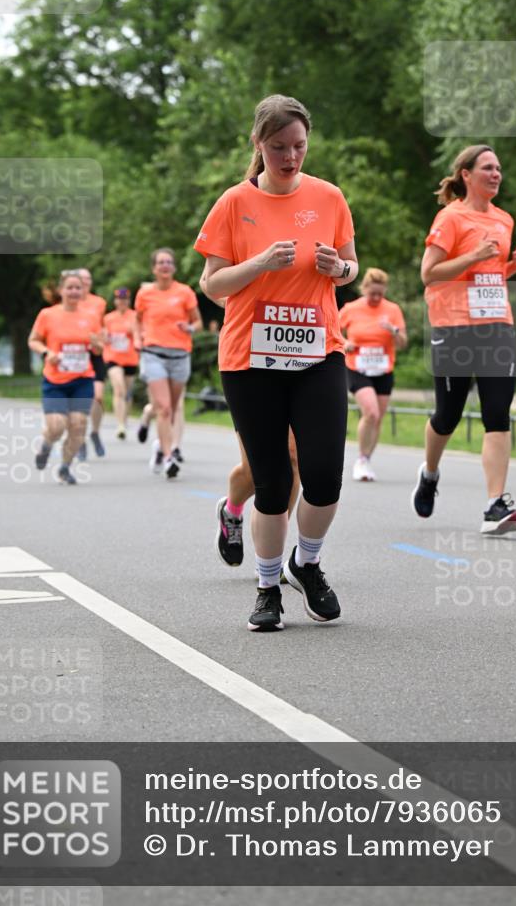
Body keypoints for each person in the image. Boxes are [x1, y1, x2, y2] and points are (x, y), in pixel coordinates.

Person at [195, 93, 358, 631]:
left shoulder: (329, 197)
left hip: (318, 353)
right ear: (259, 144)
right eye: (279, 147)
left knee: (324, 476)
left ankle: (305, 564)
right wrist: (260, 263)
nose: (290, 157)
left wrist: (339, 270)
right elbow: (213, 284)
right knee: (270, 482)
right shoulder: (233, 203)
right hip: (251, 358)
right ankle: (267, 590)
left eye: (299, 147)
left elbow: (351, 266)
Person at [411, 144, 516, 535]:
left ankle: (495, 504)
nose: (496, 174)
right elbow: (430, 273)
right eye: (488, 168)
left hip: (497, 325)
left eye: (499, 168)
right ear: (466, 174)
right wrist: (474, 255)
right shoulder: (450, 217)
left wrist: (511, 267)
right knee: (448, 416)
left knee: (498, 413)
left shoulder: (504, 219)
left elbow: (487, 276)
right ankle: (430, 473)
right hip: (453, 327)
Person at [198, 264, 301, 567]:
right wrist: (248, 304)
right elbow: (208, 281)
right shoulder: (240, 234)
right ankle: (232, 511)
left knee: (292, 459)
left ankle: (271, 554)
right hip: (247, 362)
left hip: (298, 356)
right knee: (258, 468)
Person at [28, 270, 103, 484]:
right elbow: (33, 340)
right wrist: (46, 353)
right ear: (61, 290)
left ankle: (64, 467)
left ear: (83, 291)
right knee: (57, 426)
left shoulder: (91, 317)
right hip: (55, 380)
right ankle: (46, 445)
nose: (74, 291)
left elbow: (98, 349)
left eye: (78, 288)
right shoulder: (47, 315)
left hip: (82, 379)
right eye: (69, 287)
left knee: (78, 425)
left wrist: (97, 345)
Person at [134, 248, 202, 478]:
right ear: (153, 268)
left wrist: (189, 328)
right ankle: (168, 456)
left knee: (171, 409)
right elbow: (137, 320)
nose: (165, 265)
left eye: (169, 262)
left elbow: (198, 322)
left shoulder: (184, 292)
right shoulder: (145, 294)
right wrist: (137, 338)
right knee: (163, 407)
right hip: (153, 354)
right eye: (161, 262)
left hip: (180, 356)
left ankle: (159, 446)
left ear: (174, 267)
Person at [339, 267, 407, 481]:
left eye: (380, 293)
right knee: (371, 413)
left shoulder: (393, 310)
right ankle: (360, 459)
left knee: (377, 419)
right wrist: (345, 343)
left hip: (383, 369)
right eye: (372, 293)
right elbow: (332, 332)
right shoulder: (351, 309)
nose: (376, 298)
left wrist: (394, 331)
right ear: (364, 289)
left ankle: (366, 459)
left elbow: (403, 343)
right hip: (357, 367)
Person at [77, 267, 107, 458]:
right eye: (82, 279)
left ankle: (95, 432)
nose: (85, 282)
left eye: (88, 279)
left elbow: (103, 327)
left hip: (95, 353)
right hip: (76, 354)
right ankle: (80, 439)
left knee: (97, 397)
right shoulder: (69, 301)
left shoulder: (99, 303)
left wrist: (101, 339)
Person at [103, 287, 139, 439]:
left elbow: (140, 335)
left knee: (127, 393)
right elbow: (104, 337)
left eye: (124, 299)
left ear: (128, 301)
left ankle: (124, 419)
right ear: (115, 301)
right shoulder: (108, 318)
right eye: (119, 299)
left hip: (130, 358)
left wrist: (135, 333)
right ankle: (120, 425)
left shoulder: (135, 316)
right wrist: (104, 337)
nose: (122, 302)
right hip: (113, 358)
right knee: (119, 389)